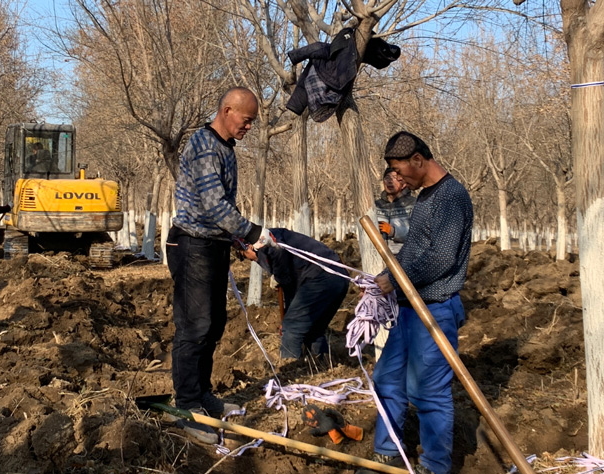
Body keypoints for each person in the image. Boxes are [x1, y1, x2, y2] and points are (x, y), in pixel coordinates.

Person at [165, 87, 274, 445]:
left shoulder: (226, 149)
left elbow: (221, 206)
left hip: (213, 245)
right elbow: (214, 205)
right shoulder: (205, 146)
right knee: (194, 326)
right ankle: (187, 406)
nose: (249, 127)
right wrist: (253, 231)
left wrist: (239, 242)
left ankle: (203, 393)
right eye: (247, 120)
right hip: (192, 243)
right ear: (227, 110)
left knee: (213, 324)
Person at [364, 131, 473, 474]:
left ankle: (435, 467)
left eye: (401, 172)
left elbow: (441, 258)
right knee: (387, 379)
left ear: (418, 160)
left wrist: (394, 280)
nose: (398, 180)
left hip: (436, 309)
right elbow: (412, 251)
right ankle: (386, 453)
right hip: (409, 306)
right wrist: (384, 279)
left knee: (427, 392)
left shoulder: (452, 197)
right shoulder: (425, 198)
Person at [234, 228, 349, 364]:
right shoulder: (270, 238)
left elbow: (288, 283)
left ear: (248, 246)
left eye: (243, 256)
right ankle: (322, 366)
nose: (248, 260)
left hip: (321, 277)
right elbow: (291, 285)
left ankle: (291, 370)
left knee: (292, 327)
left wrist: (288, 318)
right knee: (313, 328)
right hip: (339, 276)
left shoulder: (268, 247)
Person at [375, 167, 415, 254]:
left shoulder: (413, 204)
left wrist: (393, 231)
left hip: (403, 258)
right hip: (378, 258)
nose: (390, 181)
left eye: (394, 178)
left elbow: (418, 234)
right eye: (387, 177)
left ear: (404, 183)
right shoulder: (376, 206)